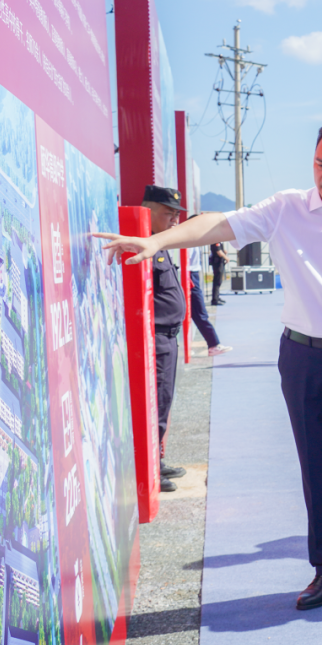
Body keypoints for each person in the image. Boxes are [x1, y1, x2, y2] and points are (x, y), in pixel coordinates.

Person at [95, 121, 322, 610]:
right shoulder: (285, 209)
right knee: (316, 466)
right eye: (320, 164)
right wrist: (158, 242)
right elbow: (219, 223)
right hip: (302, 357)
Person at [142, 186, 188, 493]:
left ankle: (158, 458)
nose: (174, 219)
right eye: (168, 212)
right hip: (157, 340)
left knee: (165, 401)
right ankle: (152, 470)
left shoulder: (162, 243)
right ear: (149, 210)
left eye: (176, 214)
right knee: (156, 403)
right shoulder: (144, 244)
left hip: (169, 338)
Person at [184, 217, 233, 358]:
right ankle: (213, 344)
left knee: (195, 312)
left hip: (192, 275)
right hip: (189, 276)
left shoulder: (195, 239)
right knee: (198, 312)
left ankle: (211, 344)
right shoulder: (187, 240)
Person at [209, 240, 229, 306]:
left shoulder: (219, 242)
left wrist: (224, 252)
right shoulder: (216, 241)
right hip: (217, 263)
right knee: (217, 281)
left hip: (219, 262)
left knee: (219, 281)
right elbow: (219, 252)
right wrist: (226, 258)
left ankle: (217, 297)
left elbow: (221, 250)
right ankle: (215, 299)